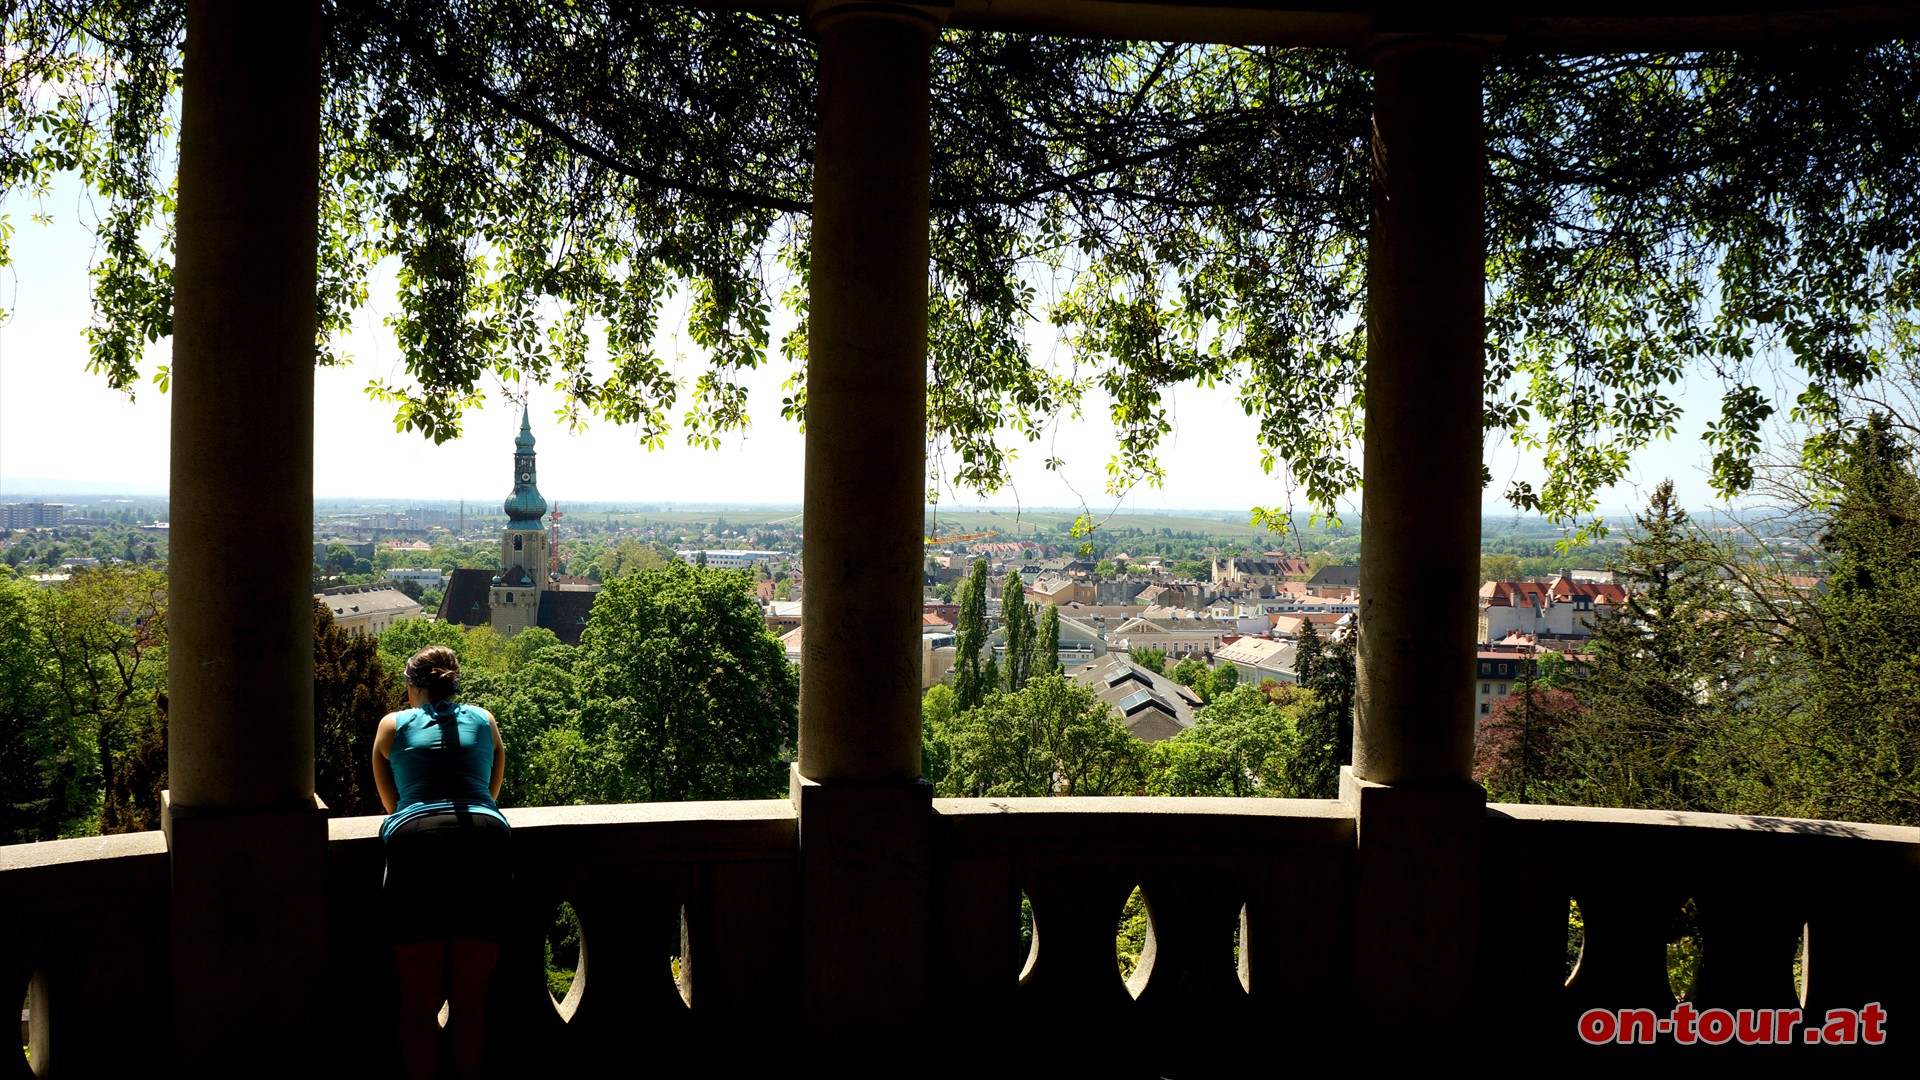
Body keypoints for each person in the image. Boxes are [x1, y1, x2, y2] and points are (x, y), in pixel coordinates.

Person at [373, 645, 511, 1080]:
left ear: (413, 688)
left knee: (418, 1003)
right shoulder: (485, 720)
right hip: (484, 843)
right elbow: (490, 791)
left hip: (419, 844)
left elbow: (392, 803)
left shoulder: (392, 725)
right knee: (471, 1000)